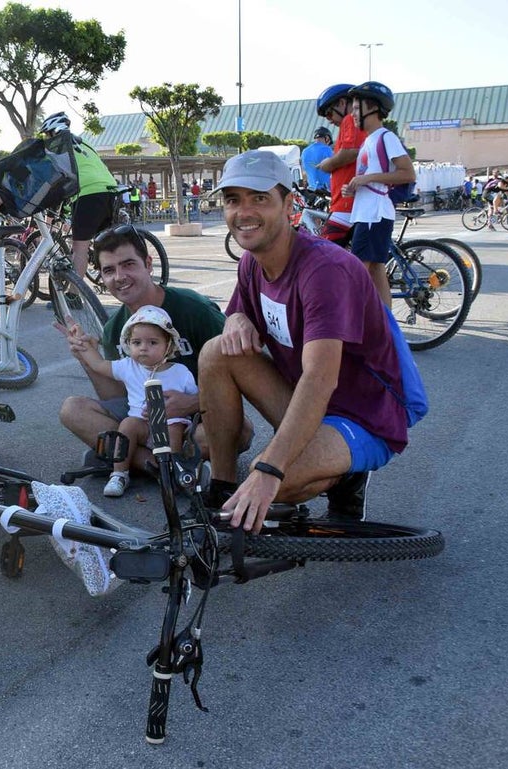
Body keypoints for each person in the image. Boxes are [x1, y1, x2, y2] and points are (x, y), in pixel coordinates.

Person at [201, 150, 409, 533]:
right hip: (310, 402)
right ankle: (221, 488)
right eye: (233, 200)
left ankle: (346, 476)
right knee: (216, 352)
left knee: (274, 478)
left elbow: (319, 379)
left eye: (259, 198)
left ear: (290, 205)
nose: (243, 212)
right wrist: (235, 318)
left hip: (363, 415)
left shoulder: (325, 271)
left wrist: (268, 470)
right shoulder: (252, 261)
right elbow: (236, 311)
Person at [57, 225, 240, 475]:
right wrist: (86, 356)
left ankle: (126, 458)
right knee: (72, 410)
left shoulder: (193, 308)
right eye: (109, 270)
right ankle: (165, 469)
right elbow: (117, 396)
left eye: (129, 264)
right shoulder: (115, 329)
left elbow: (239, 372)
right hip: (142, 423)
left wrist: (191, 403)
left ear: (149, 264)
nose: (120, 277)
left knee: (240, 431)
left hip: (194, 420)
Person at [69, 305, 197, 498]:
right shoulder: (129, 366)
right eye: (136, 342)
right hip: (141, 425)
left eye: (153, 342)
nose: (143, 348)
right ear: (129, 345)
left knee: (174, 429)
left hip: (170, 422)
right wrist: (84, 347)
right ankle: (119, 473)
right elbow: (99, 364)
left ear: (168, 345)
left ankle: (173, 471)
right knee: (127, 425)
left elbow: (194, 399)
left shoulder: (180, 372)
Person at [342, 82, 416, 308]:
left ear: (372, 108)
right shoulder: (369, 141)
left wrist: (368, 178)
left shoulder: (386, 138)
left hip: (375, 214)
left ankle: (351, 326)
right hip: (368, 212)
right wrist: (354, 187)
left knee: (356, 274)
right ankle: (387, 327)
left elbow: (407, 173)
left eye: (356, 108)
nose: (353, 114)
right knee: (376, 270)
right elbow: (371, 176)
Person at [39, 112, 118, 276]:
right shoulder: (84, 143)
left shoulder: (59, 148)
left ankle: (73, 297)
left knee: (79, 249)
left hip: (88, 192)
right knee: (108, 242)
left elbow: (55, 180)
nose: (47, 139)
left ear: (54, 132)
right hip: (110, 189)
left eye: (48, 134)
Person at [314, 83, 366, 245]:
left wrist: (327, 164)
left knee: (324, 253)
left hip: (346, 206)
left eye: (329, 114)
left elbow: (351, 152)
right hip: (349, 203)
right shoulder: (355, 123)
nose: (330, 121)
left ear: (342, 104)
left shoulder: (350, 120)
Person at [302, 127, 333, 192]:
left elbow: (304, 173)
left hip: (311, 191)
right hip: (325, 191)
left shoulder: (304, 151)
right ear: (327, 138)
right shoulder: (327, 149)